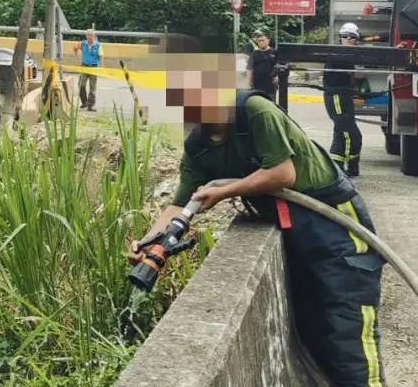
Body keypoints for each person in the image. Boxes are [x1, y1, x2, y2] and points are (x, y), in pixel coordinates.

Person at [128, 67, 386, 387]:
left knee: (348, 335)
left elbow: (282, 174)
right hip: (295, 229)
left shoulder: (254, 112)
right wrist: (152, 242)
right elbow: (180, 205)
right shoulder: (198, 146)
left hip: (336, 225)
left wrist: (223, 191)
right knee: (314, 335)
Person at [325, 22, 362, 177]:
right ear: (340, 38)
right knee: (349, 133)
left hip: (345, 97)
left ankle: (346, 166)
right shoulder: (337, 54)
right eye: (345, 36)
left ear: (356, 39)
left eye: (352, 37)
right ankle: (341, 168)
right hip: (336, 96)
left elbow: (374, 58)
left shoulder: (351, 55)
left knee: (343, 132)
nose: (348, 39)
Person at [74, 28, 102, 111]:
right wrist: (78, 58)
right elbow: (74, 48)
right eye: (88, 35)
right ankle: (84, 102)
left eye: (91, 35)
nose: (90, 37)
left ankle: (91, 105)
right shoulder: (82, 44)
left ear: (94, 36)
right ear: (86, 36)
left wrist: (100, 65)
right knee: (81, 85)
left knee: (92, 88)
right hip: (84, 66)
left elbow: (101, 56)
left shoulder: (98, 45)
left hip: (94, 67)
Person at [246, 27, 278, 98]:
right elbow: (249, 69)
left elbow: (282, 66)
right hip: (257, 87)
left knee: (271, 105)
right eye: (259, 41)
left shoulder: (275, 52)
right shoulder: (254, 54)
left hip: (271, 86)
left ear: (268, 41)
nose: (261, 42)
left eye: (263, 40)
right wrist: (247, 83)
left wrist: (278, 77)